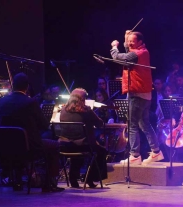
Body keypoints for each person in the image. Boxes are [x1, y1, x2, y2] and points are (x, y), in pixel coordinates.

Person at [0, 73, 64, 192]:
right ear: (27, 87)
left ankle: (17, 181)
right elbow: (44, 124)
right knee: (54, 145)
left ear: (13, 85)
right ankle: (49, 184)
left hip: (6, 146)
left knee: (17, 144)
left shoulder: (2, 101)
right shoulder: (30, 102)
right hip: (29, 146)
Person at [110, 30, 164, 165]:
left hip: (136, 93)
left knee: (132, 124)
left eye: (132, 42)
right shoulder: (141, 52)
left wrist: (114, 47)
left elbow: (119, 57)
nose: (129, 44)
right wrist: (126, 38)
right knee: (144, 124)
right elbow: (128, 51)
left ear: (140, 42)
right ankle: (156, 152)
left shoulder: (138, 54)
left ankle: (134, 155)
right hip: (144, 94)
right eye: (129, 42)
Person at [60, 88, 106, 188]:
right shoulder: (86, 110)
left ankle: (73, 180)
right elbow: (100, 123)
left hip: (65, 145)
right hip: (82, 146)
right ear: (83, 99)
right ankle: (89, 178)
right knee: (101, 151)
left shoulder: (63, 110)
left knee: (77, 148)